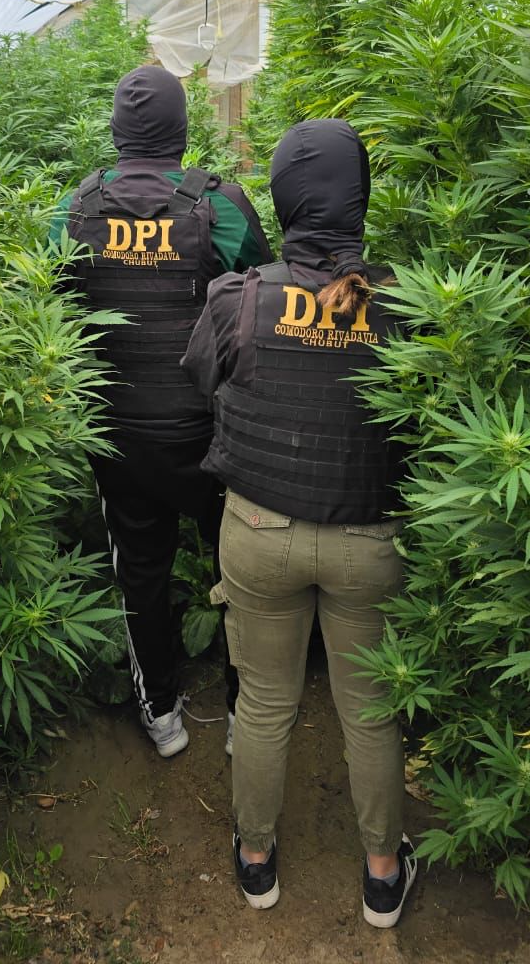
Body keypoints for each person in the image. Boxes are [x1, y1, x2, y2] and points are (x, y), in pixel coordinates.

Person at [180, 118, 417, 927]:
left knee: (264, 701)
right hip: (370, 544)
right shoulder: (407, 307)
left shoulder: (238, 297)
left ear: (282, 201)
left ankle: (256, 860)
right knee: (370, 709)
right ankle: (382, 874)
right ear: (359, 201)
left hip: (259, 532)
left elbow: (203, 383)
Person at [51, 64, 272, 757]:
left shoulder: (74, 209)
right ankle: (242, 716)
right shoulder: (220, 206)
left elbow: (49, 303)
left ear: (117, 130)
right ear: (181, 129)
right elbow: (262, 298)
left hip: (117, 434)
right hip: (212, 434)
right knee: (236, 572)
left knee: (140, 573)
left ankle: (161, 714)